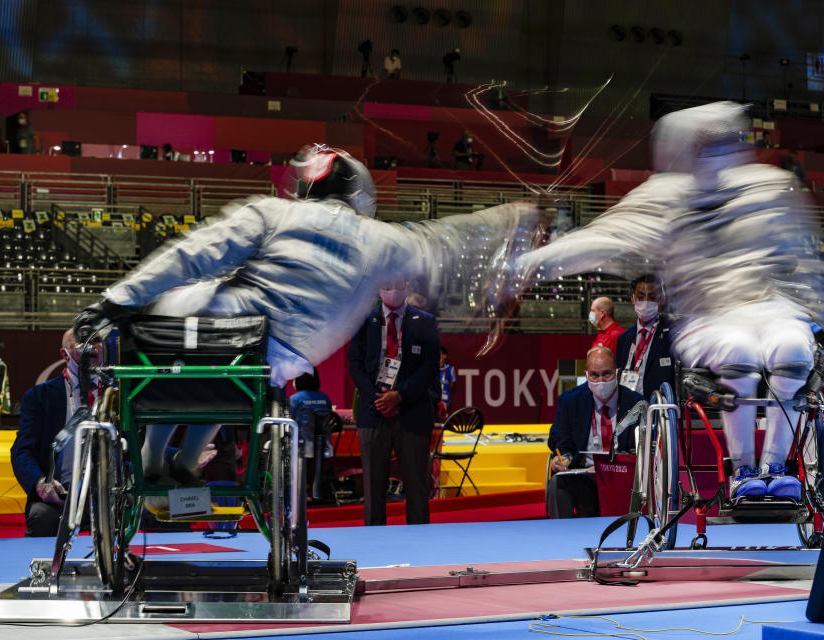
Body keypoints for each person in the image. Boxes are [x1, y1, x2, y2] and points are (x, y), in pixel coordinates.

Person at [73, 145, 538, 484]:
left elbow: (191, 254)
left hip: (202, 332)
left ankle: (157, 463)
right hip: (265, 357)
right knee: (244, 374)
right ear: (359, 192)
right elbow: (448, 239)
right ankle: (182, 461)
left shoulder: (272, 212)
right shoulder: (383, 239)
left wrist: (115, 302)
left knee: (202, 349)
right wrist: (509, 220)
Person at [515, 102, 824, 502]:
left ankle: (775, 468)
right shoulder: (666, 197)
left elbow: (804, 261)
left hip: (769, 309)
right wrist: (534, 263)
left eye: (720, 143)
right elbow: (603, 239)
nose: (714, 154)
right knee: (739, 350)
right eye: (704, 145)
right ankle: (742, 470)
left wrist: (817, 322)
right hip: (708, 319)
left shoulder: (766, 187)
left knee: (792, 348)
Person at [349, 280, 440, 526]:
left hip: (412, 412)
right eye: (387, 285)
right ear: (378, 288)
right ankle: (375, 545)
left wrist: (399, 395)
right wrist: (378, 398)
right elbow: (355, 365)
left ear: (407, 287)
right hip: (373, 411)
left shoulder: (426, 322)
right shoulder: (363, 321)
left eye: (397, 285)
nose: (392, 290)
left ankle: (420, 544)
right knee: (373, 488)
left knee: (416, 488)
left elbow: (430, 367)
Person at [10, 329, 102, 536]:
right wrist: (40, 482)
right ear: (64, 354)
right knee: (40, 516)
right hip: (64, 497)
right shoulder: (39, 397)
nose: (91, 346)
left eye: (96, 340)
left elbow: (141, 441)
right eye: (81, 342)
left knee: (160, 512)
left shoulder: (122, 392)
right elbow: (21, 451)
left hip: (115, 495)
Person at [546, 347, 643, 518]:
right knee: (557, 482)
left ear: (617, 372)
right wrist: (564, 457)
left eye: (607, 374)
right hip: (584, 475)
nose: (600, 381)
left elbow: (643, 447)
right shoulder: (570, 401)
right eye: (594, 375)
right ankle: (559, 536)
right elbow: (559, 439)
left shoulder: (636, 403)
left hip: (622, 477)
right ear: (586, 374)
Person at [615, 275, 674, 401]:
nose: (646, 301)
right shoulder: (623, 340)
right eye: (641, 297)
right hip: (631, 410)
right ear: (633, 299)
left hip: (660, 411)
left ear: (661, 300)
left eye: (652, 298)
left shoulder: (671, 335)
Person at [289, 368, 333, 459]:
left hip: (302, 446)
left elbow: (290, 422)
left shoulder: (294, 399)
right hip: (324, 446)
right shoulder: (325, 398)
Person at [439, 346, 456, 418]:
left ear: (445, 356)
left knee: (444, 419)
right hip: (434, 400)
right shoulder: (431, 368)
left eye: (440, 354)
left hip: (445, 399)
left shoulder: (450, 369)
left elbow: (451, 385)